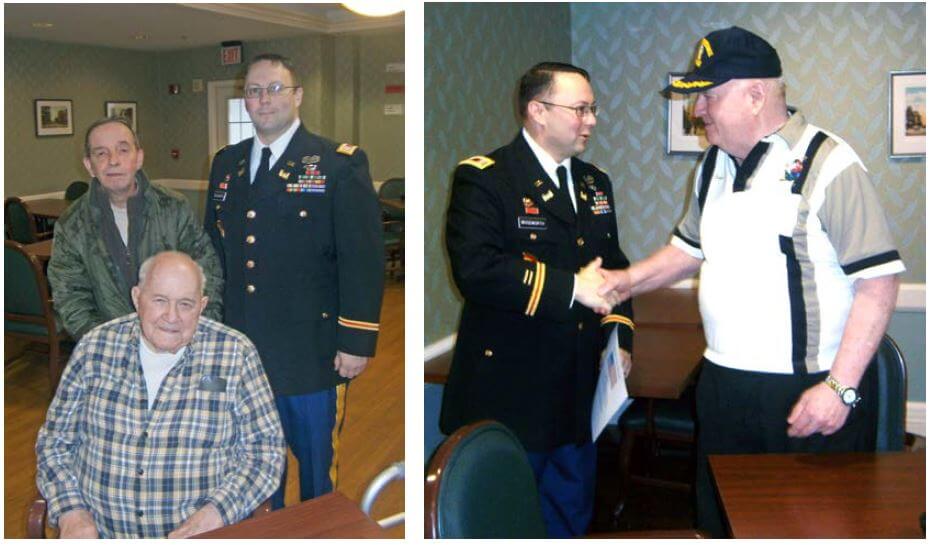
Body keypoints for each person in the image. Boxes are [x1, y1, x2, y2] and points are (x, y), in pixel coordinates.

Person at [597, 26, 904, 537]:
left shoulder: (830, 164)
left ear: (756, 94)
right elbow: (687, 250)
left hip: (806, 391)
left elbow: (879, 282)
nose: (699, 111)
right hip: (722, 385)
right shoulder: (713, 165)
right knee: (723, 523)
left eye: (709, 97)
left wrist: (840, 388)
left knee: (804, 527)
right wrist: (622, 281)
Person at [440, 61, 634, 537]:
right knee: (507, 516)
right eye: (581, 109)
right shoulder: (486, 179)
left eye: (593, 108)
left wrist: (620, 337)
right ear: (537, 111)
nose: (592, 119)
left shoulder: (593, 183)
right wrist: (572, 288)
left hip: (579, 386)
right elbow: (478, 270)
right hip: (512, 388)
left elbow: (612, 265)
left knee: (570, 511)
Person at [204, 53, 384, 509]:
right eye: (253, 90)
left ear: (298, 95)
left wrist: (357, 340)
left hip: (312, 349)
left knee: (316, 467)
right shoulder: (227, 164)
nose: (263, 99)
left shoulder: (336, 164)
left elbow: (362, 258)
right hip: (244, 347)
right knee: (257, 463)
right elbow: (214, 251)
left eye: (274, 88)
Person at [36, 251, 284, 538]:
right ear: (137, 297)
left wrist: (217, 513)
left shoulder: (235, 355)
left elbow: (266, 452)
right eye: (160, 300)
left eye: (186, 304)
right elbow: (54, 443)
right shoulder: (95, 349)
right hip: (101, 534)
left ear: (202, 306)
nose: (172, 317)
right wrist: (71, 512)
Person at [48, 117, 223, 341]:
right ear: (89, 165)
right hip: (112, 349)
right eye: (101, 153)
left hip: (180, 339)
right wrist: (110, 344)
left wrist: (196, 333)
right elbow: (70, 296)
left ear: (138, 158)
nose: (113, 161)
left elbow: (208, 274)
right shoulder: (72, 225)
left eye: (123, 150)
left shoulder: (174, 208)